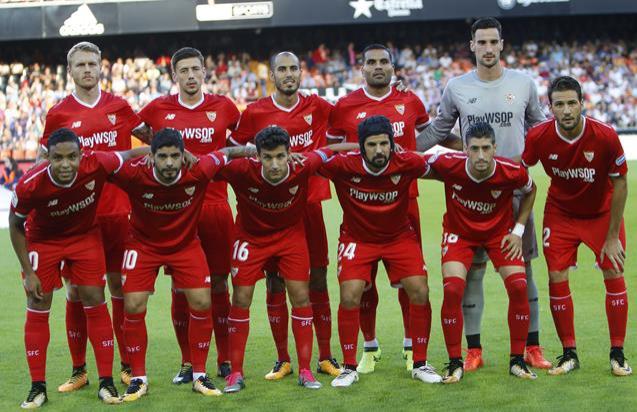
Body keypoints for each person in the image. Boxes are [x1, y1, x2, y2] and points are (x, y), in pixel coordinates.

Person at [416, 17, 550, 371]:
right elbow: (438, 131)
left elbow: (539, 127)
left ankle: (532, 346)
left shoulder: (523, 84)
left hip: (515, 192)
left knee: (525, 273)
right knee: (471, 273)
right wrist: (401, 149)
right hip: (472, 192)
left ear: (502, 44)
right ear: (472, 46)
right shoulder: (457, 86)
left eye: (494, 42)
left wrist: (531, 160)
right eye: (482, 43)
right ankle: (473, 349)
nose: (488, 48)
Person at [37, 41, 151, 390]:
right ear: (69, 71)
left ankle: (128, 365)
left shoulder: (120, 106)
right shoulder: (58, 113)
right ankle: (79, 369)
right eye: (81, 65)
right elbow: (45, 164)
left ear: (101, 67)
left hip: (118, 213)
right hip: (78, 218)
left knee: (118, 288)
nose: (87, 69)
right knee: (76, 292)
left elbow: (151, 139)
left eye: (93, 63)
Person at [9, 128, 150, 408]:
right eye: (58, 158)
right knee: (38, 302)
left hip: (85, 238)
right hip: (43, 240)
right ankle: (37, 387)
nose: (65, 165)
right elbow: (15, 225)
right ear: (47, 157)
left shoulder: (96, 163)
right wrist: (29, 272)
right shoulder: (30, 184)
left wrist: (165, 152)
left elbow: (130, 154)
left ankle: (106, 382)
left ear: (81, 155)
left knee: (96, 300)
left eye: (72, 157)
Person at [220, 126, 356, 393]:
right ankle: (236, 373)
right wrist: (243, 151)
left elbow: (331, 150)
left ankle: (305, 370)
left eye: (281, 156)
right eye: (267, 157)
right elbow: (218, 155)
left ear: (290, 154)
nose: (274, 164)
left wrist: (366, 146)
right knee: (241, 298)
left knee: (300, 296)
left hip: (290, 238)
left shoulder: (303, 166)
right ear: (257, 156)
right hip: (250, 238)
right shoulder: (239, 170)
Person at [229, 51, 340, 379]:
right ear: (272, 76)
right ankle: (283, 358)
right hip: (269, 208)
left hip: (309, 205)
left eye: (294, 68)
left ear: (301, 73)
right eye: (282, 70)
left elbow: (350, 119)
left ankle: (325, 355)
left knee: (317, 279)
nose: (289, 74)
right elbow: (232, 147)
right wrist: (249, 151)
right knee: (275, 283)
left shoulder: (318, 106)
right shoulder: (255, 112)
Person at [327, 43, 431, 372]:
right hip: (362, 203)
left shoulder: (410, 99)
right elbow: (330, 149)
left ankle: (410, 344)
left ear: (392, 66)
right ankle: (369, 346)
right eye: (370, 62)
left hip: (404, 200)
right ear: (361, 68)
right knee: (362, 283)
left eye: (383, 62)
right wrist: (359, 146)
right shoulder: (344, 105)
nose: (377, 67)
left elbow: (428, 136)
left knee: (409, 280)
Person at [139, 47, 241, 381]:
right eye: (183, 71)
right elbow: (143, 136)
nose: (191, 76)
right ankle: (187, 362)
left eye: (196, 69)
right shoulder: (158, 109)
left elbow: (239, 145)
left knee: (219, 284)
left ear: (204, 71)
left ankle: (225, 358)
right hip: (176, 210)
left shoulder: (224, 107)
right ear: (174, 76)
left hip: (214, 206)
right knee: (182, 288)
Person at [521, 76, 631, 376]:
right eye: (560, 104)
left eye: (572, 103)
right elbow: (519, 173)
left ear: (582, 103)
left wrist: (612, 237)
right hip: (561, 214)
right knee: (556, 275)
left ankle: (617, 353)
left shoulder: (605, 135)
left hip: (602, 214)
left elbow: (620, 184)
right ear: (550, 107)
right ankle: (569, 353)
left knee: (613, 269)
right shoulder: (538, 137)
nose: (567, 110)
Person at [321, 115, 441, 388]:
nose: (379, 150)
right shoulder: (343, 165)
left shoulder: (407, 162)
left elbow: (441, 167)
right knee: (350, 293)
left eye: (384, 144)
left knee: (420, 289)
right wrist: (342, 148)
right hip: (357, 238)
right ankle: (349, 367)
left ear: (392, 144)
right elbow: (315, 157)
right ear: (361, 147)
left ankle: (420, 363)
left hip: (398, 236)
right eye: (372, 144)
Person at [424, 122, 537, 383]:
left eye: (487, 148)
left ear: (495, 148)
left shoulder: (511, 171)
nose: (481, 155)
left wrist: (518, 231)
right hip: (459, 233)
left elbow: (531, 191)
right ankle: (454, 363)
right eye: (474, 149)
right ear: (465, 149)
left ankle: (517, 360)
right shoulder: (447, 163)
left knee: (519, 287)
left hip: (499, 235)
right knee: (452, 289)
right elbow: (411, 163)